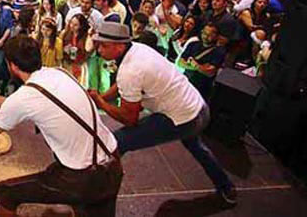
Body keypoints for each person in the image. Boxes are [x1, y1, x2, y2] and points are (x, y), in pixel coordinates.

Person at [0, 36, 123, 217]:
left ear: (12, 65)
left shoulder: (26, 96)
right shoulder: (59, 73)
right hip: (113, 164)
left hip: (82, 178)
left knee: (6, 193)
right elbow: (31, 106)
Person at [89, 22, 237, 205]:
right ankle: (226, 187)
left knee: (116, 142)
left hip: (182, 119)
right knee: (197, 147)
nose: (99, 49)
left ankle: (99, 193)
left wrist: (100, 102)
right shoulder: (137, 48)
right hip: (198, 107)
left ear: (120, 46)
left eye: (104, 45)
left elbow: (129, 118)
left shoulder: (130, 70)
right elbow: (121, 85)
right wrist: (102, 96)